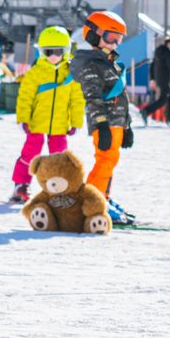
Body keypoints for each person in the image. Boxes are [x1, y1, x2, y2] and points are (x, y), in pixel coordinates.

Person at [10, 24, 84, 205]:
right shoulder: (35, 73)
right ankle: (20, 185)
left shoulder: (71, 75)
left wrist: (76, 122)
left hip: (60, 125)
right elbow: (25, 97)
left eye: (58, 52)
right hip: (37, 123)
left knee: (59, 157)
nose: (53, 57)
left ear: (66, 51)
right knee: (30, 154)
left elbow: (77, 100)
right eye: (48, 52)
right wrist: (23, 118)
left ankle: (59, 188)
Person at [69, 10, 132, 202]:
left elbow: (122, 96)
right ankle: (92, 200)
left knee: (110, 161)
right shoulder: (91, 65)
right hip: (106, 122)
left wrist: (127, 126)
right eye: (110, 37)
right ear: (93, 35)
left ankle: (102, 196)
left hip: (117, 122)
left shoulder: (110, 63)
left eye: (118, 39)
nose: (114, 44)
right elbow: (93, 98)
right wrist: (102, 125)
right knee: (105, 160)